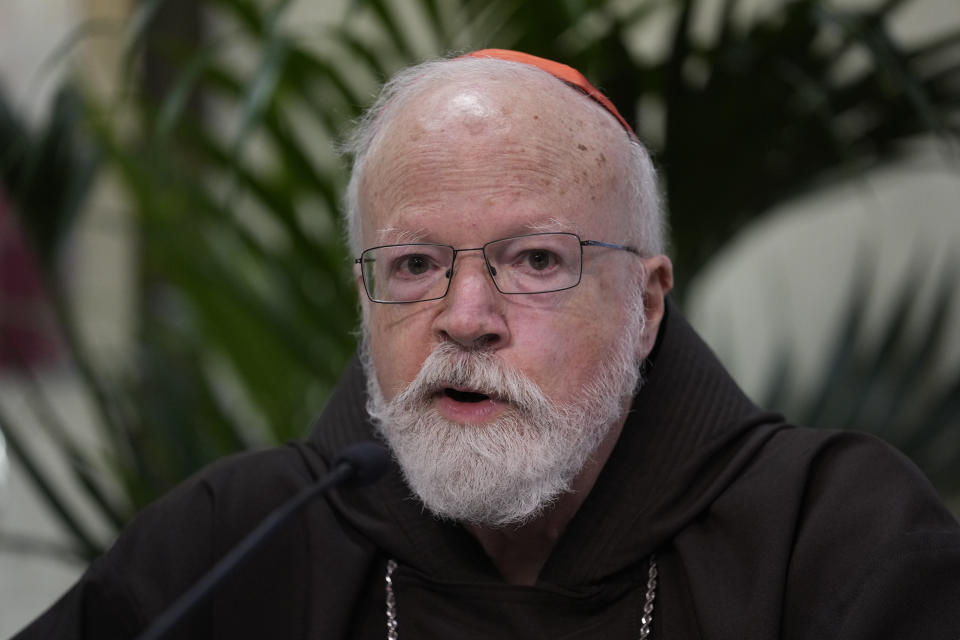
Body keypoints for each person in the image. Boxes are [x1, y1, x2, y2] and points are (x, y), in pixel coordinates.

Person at [12, 49, 960, 640]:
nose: (466, 316)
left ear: (648, 303)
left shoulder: (832, 538)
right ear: (365, 296)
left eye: (537, 259)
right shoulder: (236, 538)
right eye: (417, 264)